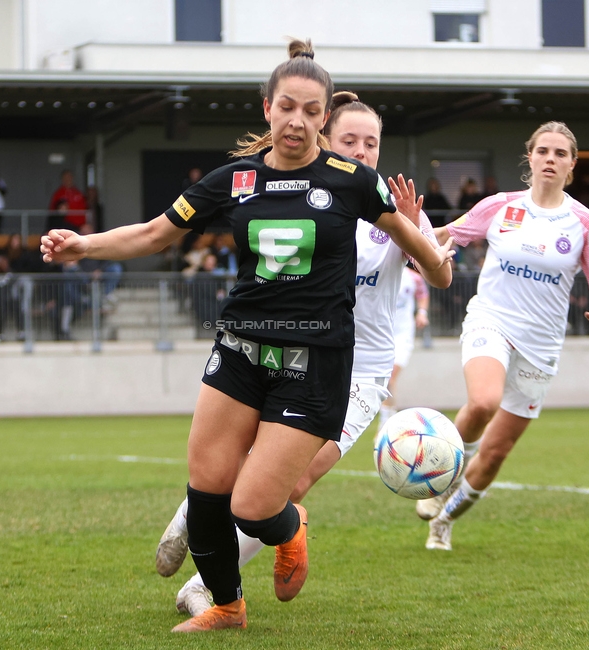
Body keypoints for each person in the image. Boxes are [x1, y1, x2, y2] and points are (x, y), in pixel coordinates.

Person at [41, 41, 453, 633]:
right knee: (206, 491)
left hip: (316, 366)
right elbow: (157, 234)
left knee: (254, 505)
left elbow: (429, 260)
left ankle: (292, 528)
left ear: (323, 118)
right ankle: (227, 607)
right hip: (237, 353)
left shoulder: (354, 182)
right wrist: (84, 244)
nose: (299, 121)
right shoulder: (234, 180)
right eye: (288, 107)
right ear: (267, 108)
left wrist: (436, 265)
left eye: (312, 111)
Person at [154, 87, 452, 619]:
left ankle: (206, 585)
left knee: (292, 481)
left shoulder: (393, 212)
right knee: (235, 470)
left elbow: (440, 273)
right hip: (283, 354)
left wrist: (415, 237)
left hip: (357, 373)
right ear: (326, 141)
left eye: (372, 144)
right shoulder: (303, 197)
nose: (362, 153)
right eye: (351, 141)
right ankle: (195, 520)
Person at [414, 121, 589, 551]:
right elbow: (442, 235)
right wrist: (397, 234)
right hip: (491, 320)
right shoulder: (500, 206)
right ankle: (438, 476)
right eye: (543, 150)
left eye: (560, 153)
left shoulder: (583, 222)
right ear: (530, 158)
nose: (550, 158)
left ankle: (444, 521)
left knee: (495, 454)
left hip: (542, 346)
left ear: (571, 166)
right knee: (483, 401)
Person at [379, 263, 429, 428]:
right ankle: (388, 415)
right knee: (386, 378)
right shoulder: (382, 271)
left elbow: (423, 295)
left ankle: (385, 422)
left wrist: (422, 313)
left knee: (390, 376)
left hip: (403, 334)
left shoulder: (413, 277)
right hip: (381, 332)